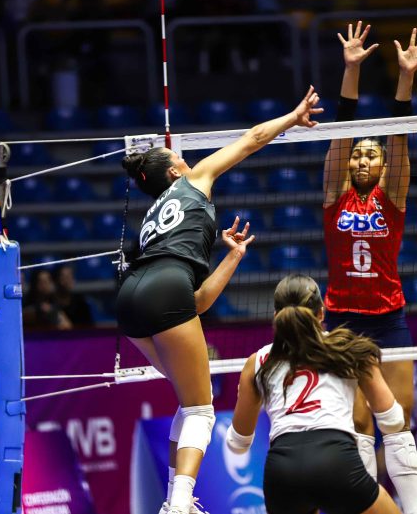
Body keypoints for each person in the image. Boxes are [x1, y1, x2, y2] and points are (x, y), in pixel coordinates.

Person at [115, 86, 322, 514]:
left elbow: (201, 301)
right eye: (182, 161)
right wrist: (292, 117)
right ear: (174, 173)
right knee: (201, 409)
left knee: (188, 402)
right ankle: (176, 504)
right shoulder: (191, 182)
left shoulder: (153, 218)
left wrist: (232, 256)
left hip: (129, 298)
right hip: (165, 288)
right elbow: (251, 140)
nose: (189, 163)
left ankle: (179, 498)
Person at [322, 22, 417, 514]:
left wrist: (405, 78)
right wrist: (351, 70)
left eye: (374, 154)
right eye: (359, 154)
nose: (365, 158)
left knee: (400, 419)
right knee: (358, 423)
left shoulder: (393, 196)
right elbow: (341, 135)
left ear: (385, 166)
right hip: (343, 318)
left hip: (389, 316)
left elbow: (399, 138)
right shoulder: (334, 194)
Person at [227, 274, 403, 514]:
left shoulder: (256, 362)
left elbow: (237, 444)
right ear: (321, 313)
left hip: (282, 469)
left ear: (275, 318)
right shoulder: (349, 347)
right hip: (335, 459)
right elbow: (393, 420)